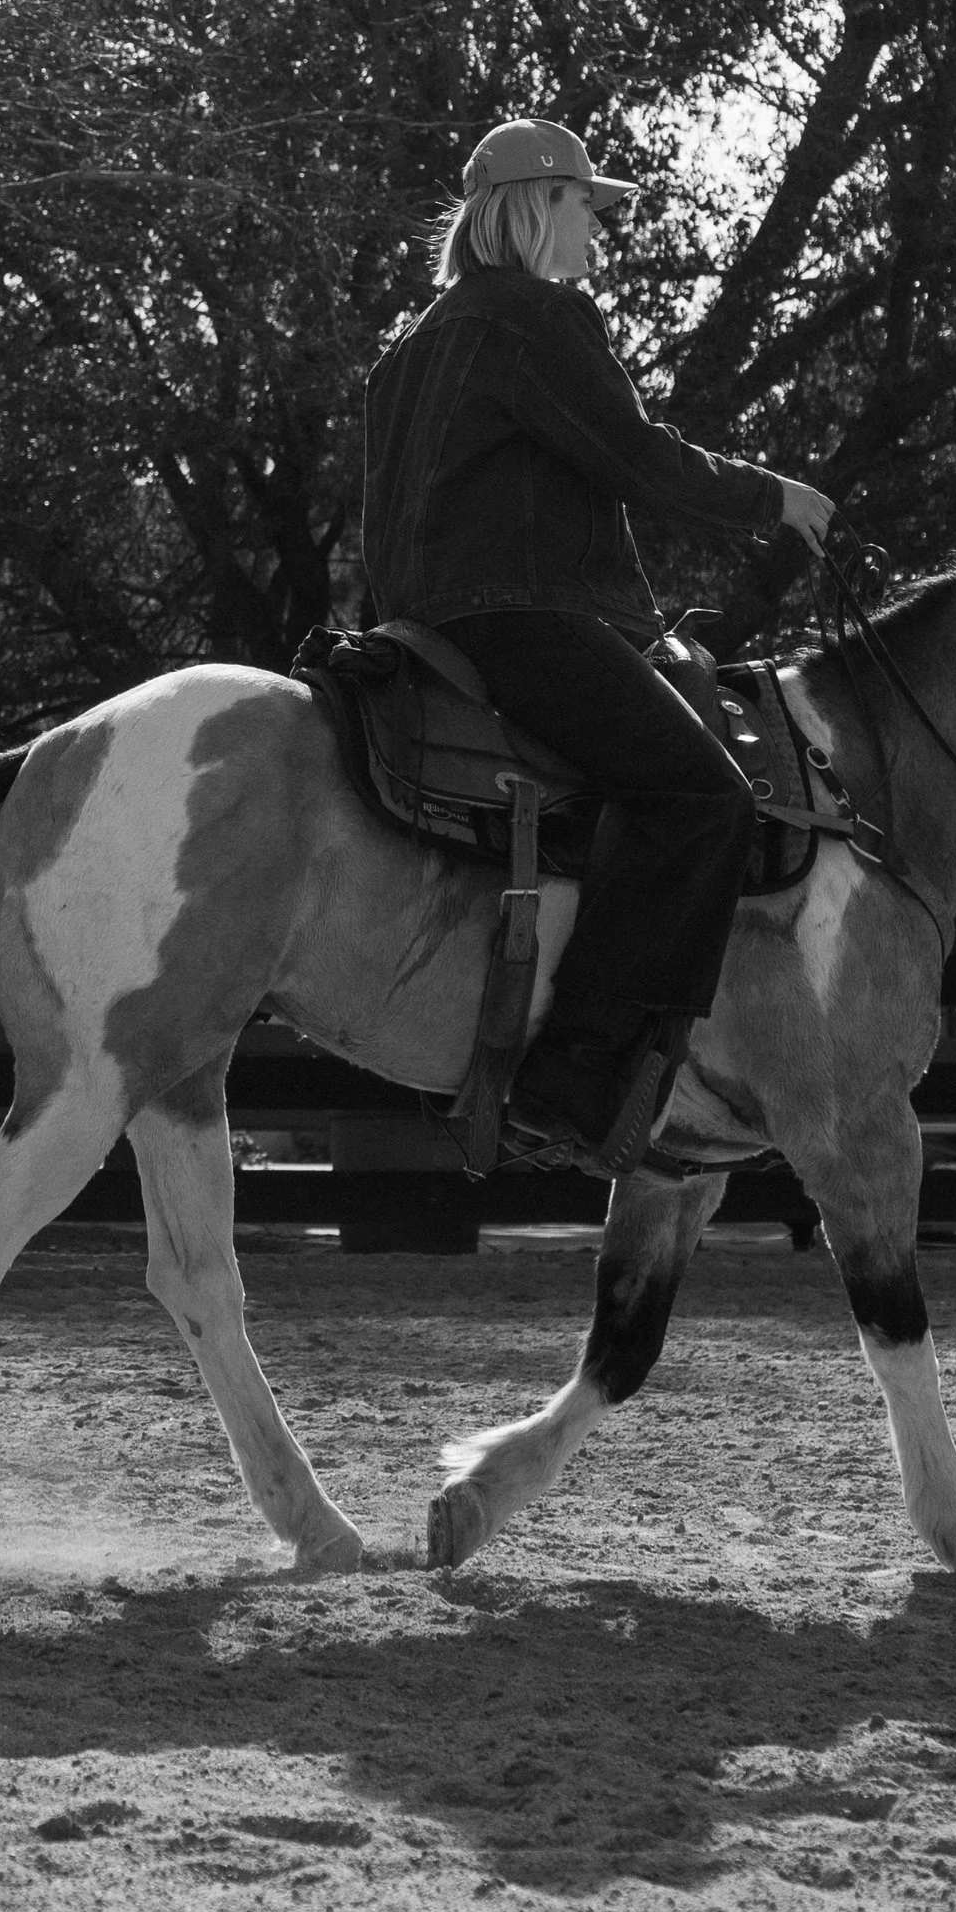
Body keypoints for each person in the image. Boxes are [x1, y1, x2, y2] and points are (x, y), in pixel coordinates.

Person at [361, 118, 835, 1174]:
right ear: (535, 206)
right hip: (517, 615)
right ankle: (572, 1080)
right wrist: (773, 497)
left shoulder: (410, 344)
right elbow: (632, 455)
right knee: (702, 796)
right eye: (587, 206)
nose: (599, 232)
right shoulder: (538, 317)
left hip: (418, 625)